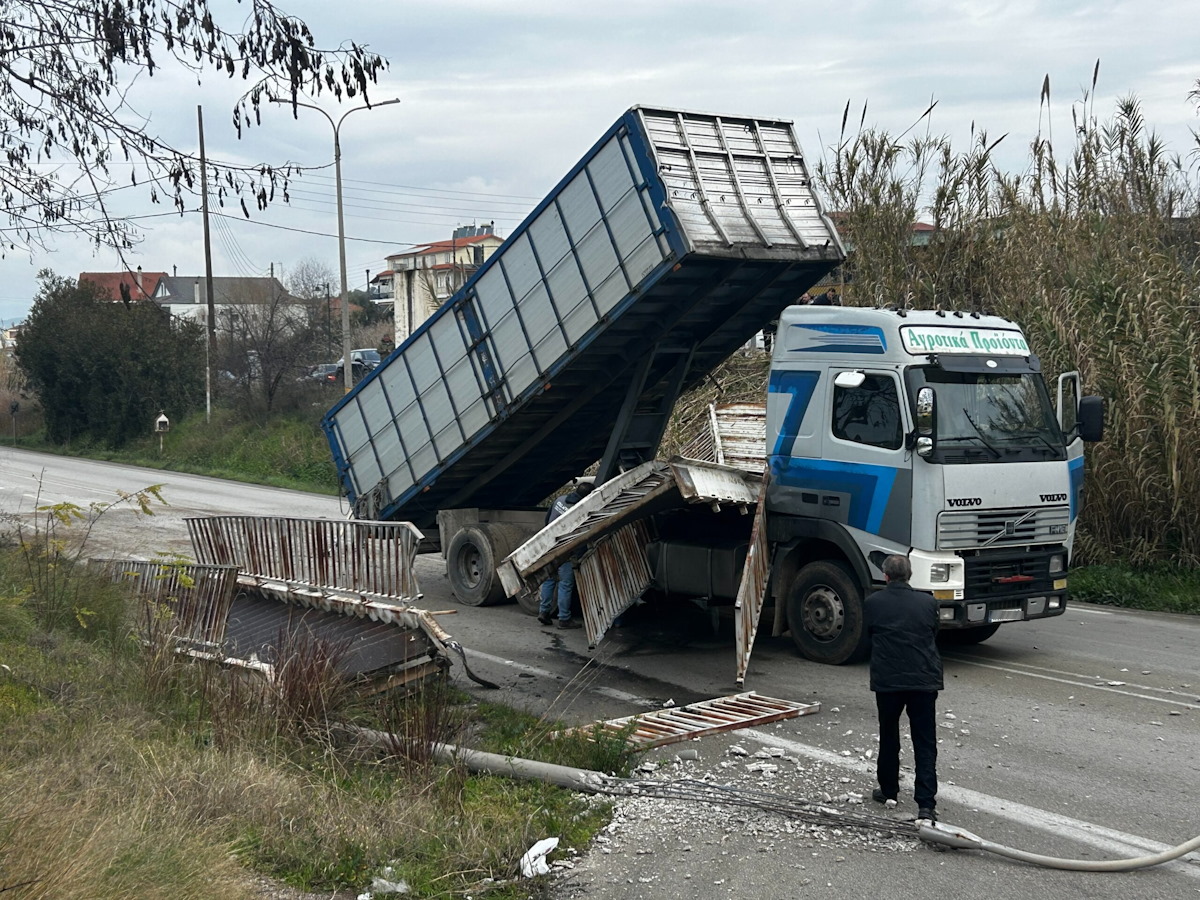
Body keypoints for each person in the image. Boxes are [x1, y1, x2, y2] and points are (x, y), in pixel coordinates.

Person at [865, 553, 943, 822]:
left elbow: (869, 634)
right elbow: (934, 633)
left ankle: (889, 791)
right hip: (923, 680)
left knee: (889, 735)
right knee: (925, 741)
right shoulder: (928, 602)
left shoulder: (874, 602)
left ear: (885, 576)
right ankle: (926, 803)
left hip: (888, 682)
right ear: (910, 575)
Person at [537, 480, 594, 629]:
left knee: (549, 580)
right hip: (565, 551)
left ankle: (544, 612)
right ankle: (564, 619)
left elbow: (546, 520)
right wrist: (580, 554)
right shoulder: (580, 511)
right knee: (565, 584)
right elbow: (581, 536)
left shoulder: (559, 500)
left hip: (549, 546)